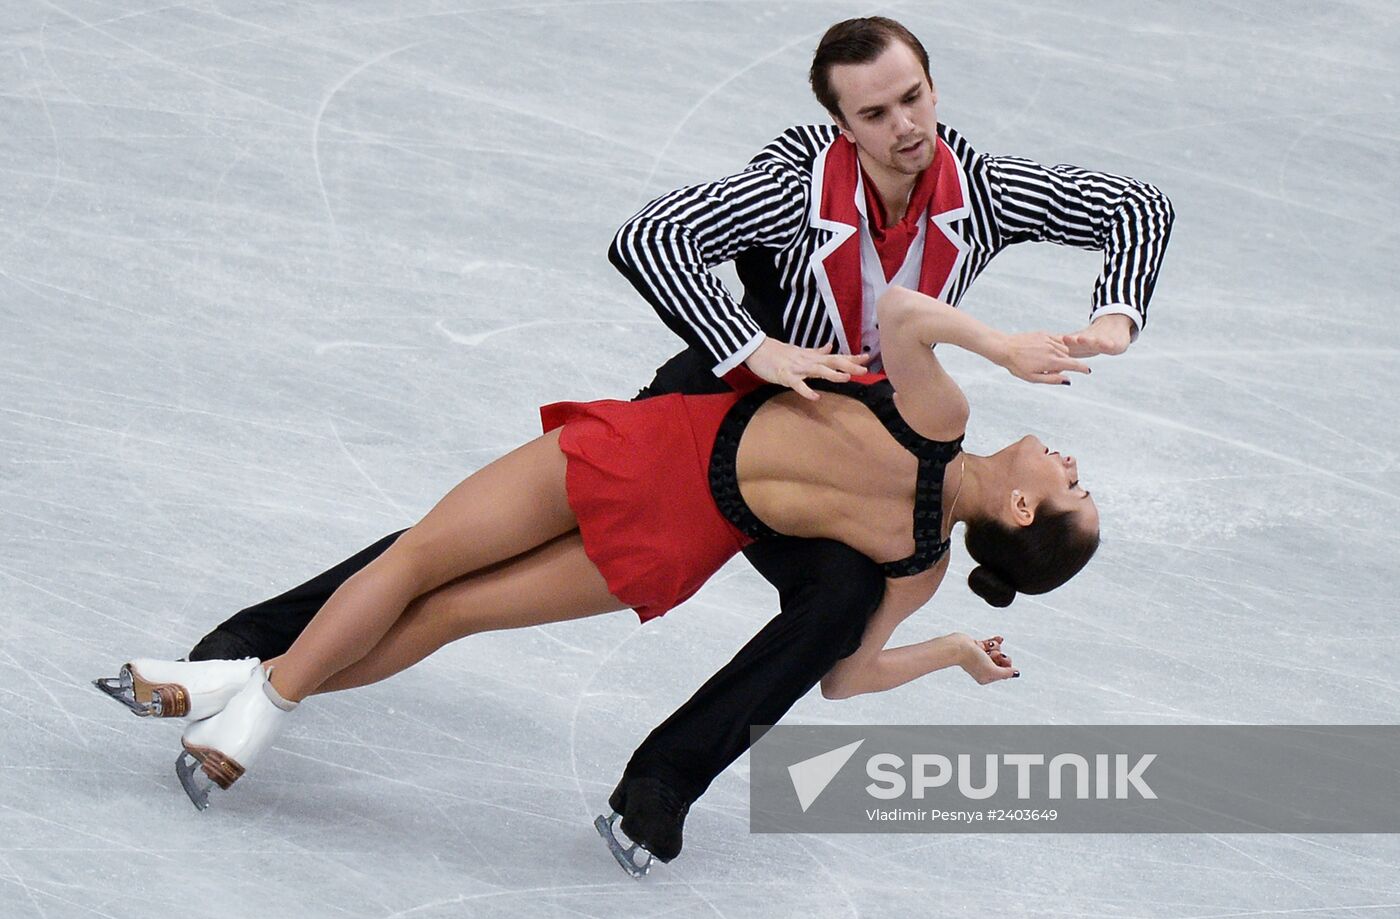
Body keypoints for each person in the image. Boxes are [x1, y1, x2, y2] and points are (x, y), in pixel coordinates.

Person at [182, 16, 1172, 866]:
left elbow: (1136, 206)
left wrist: (1113, 317)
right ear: (842, 122)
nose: (904, 126)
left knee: (838, 603)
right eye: (874, 114)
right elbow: (653, 237)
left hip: (868, 450)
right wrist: (755, 345)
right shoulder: (793, 188)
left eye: (911, 97)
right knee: (482, 533)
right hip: (733, 404)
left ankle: (658, 788)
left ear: (931, 85)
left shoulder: (983, 191)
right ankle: (255, 648)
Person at [101, 288, 1100, 866]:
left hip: (647, 455)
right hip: (677, 540)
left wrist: (1002, 346)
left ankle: (241, 690)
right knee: (447, 609)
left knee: (420, 561)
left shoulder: (941, 414)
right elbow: (845, 675)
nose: (1065, 461)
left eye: (1069, 484)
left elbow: (900, 310)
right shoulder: (918, 566)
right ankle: (233, 693)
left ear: (1019, 513)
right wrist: (952, 653)